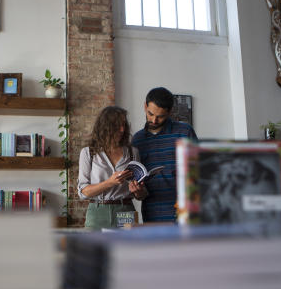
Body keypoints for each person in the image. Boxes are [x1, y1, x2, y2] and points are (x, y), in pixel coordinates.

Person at [131, 87, 197, 222]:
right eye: (150, 114)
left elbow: (199, 171)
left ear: (169, 112)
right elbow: (140, 189)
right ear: (145, 106)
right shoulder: (137, 139)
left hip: (184, 211)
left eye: (160, 116)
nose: (154, 120)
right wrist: (137, 191)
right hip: (151, 214)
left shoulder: (184, 132)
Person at [78, 106, 148, 230]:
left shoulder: (133, 152)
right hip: (97, 212)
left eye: (123, 125)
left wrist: (138, 191)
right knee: (95, 249)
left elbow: (141, 196)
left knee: (127, 249)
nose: (122, 130)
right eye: (117, 126)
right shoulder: (88, 153)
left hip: (125, 209)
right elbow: (84, 192)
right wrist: (110, 182)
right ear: (105, 127)